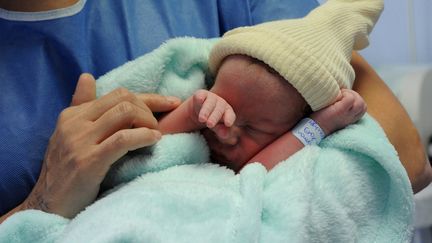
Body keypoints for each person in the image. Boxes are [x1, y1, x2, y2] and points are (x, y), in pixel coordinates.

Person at [0, 0, 430, 224]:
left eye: (255, 126)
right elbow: (157, 140)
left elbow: (405, 159)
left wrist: (317, 128)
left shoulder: (298, 48)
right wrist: (41, 203)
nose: (225, 134)